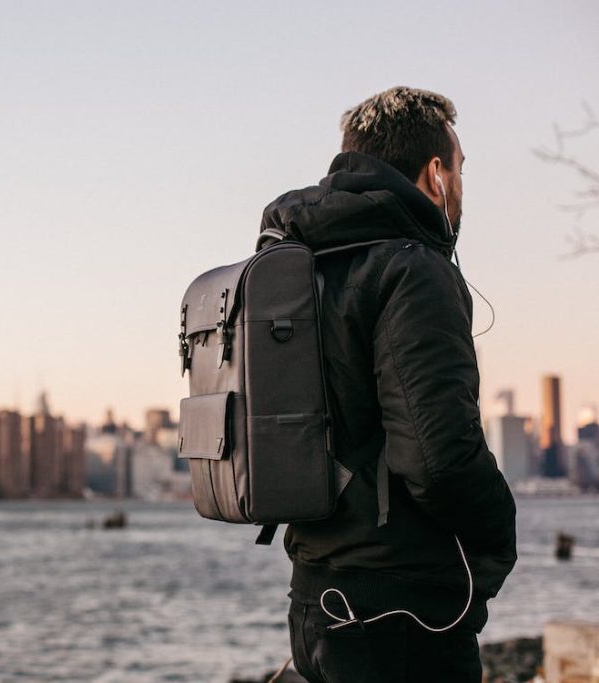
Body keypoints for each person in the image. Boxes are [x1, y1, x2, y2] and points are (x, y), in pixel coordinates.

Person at [258, 86, 517, 682]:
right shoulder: (412, 268)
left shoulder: (302, 266)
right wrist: (499, 538)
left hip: (314, 598)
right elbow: (437, 456)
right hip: (401, 612)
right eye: (460, 170)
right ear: (436, 174)